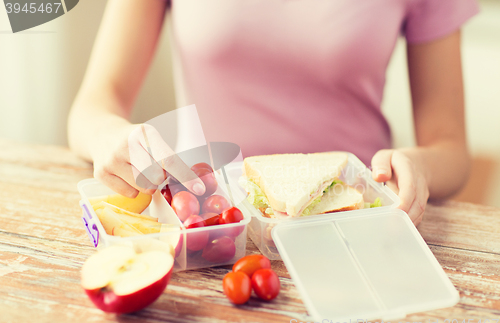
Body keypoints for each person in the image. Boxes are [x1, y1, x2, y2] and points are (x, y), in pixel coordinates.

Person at [68, 0, 479, 225]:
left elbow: (451, 150)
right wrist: (111, 137)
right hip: (214, 224)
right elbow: (93, 107)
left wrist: (418, 166)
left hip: (357, 221)